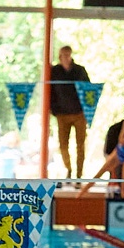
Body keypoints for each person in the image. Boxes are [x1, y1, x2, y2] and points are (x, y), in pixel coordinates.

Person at [48, 43, 91, 177]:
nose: (66, 58)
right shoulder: (55, 71)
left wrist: (87, 110)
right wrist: (53, 109)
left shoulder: (80, 71)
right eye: (63, 55)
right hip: (62, 114)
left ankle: (79, 174)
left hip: (79, 113)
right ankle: (68, 169)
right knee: (63, 145)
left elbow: (88, 91)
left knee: (80, 145)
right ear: (59, 57)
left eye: (68, 55)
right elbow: (50, 91)